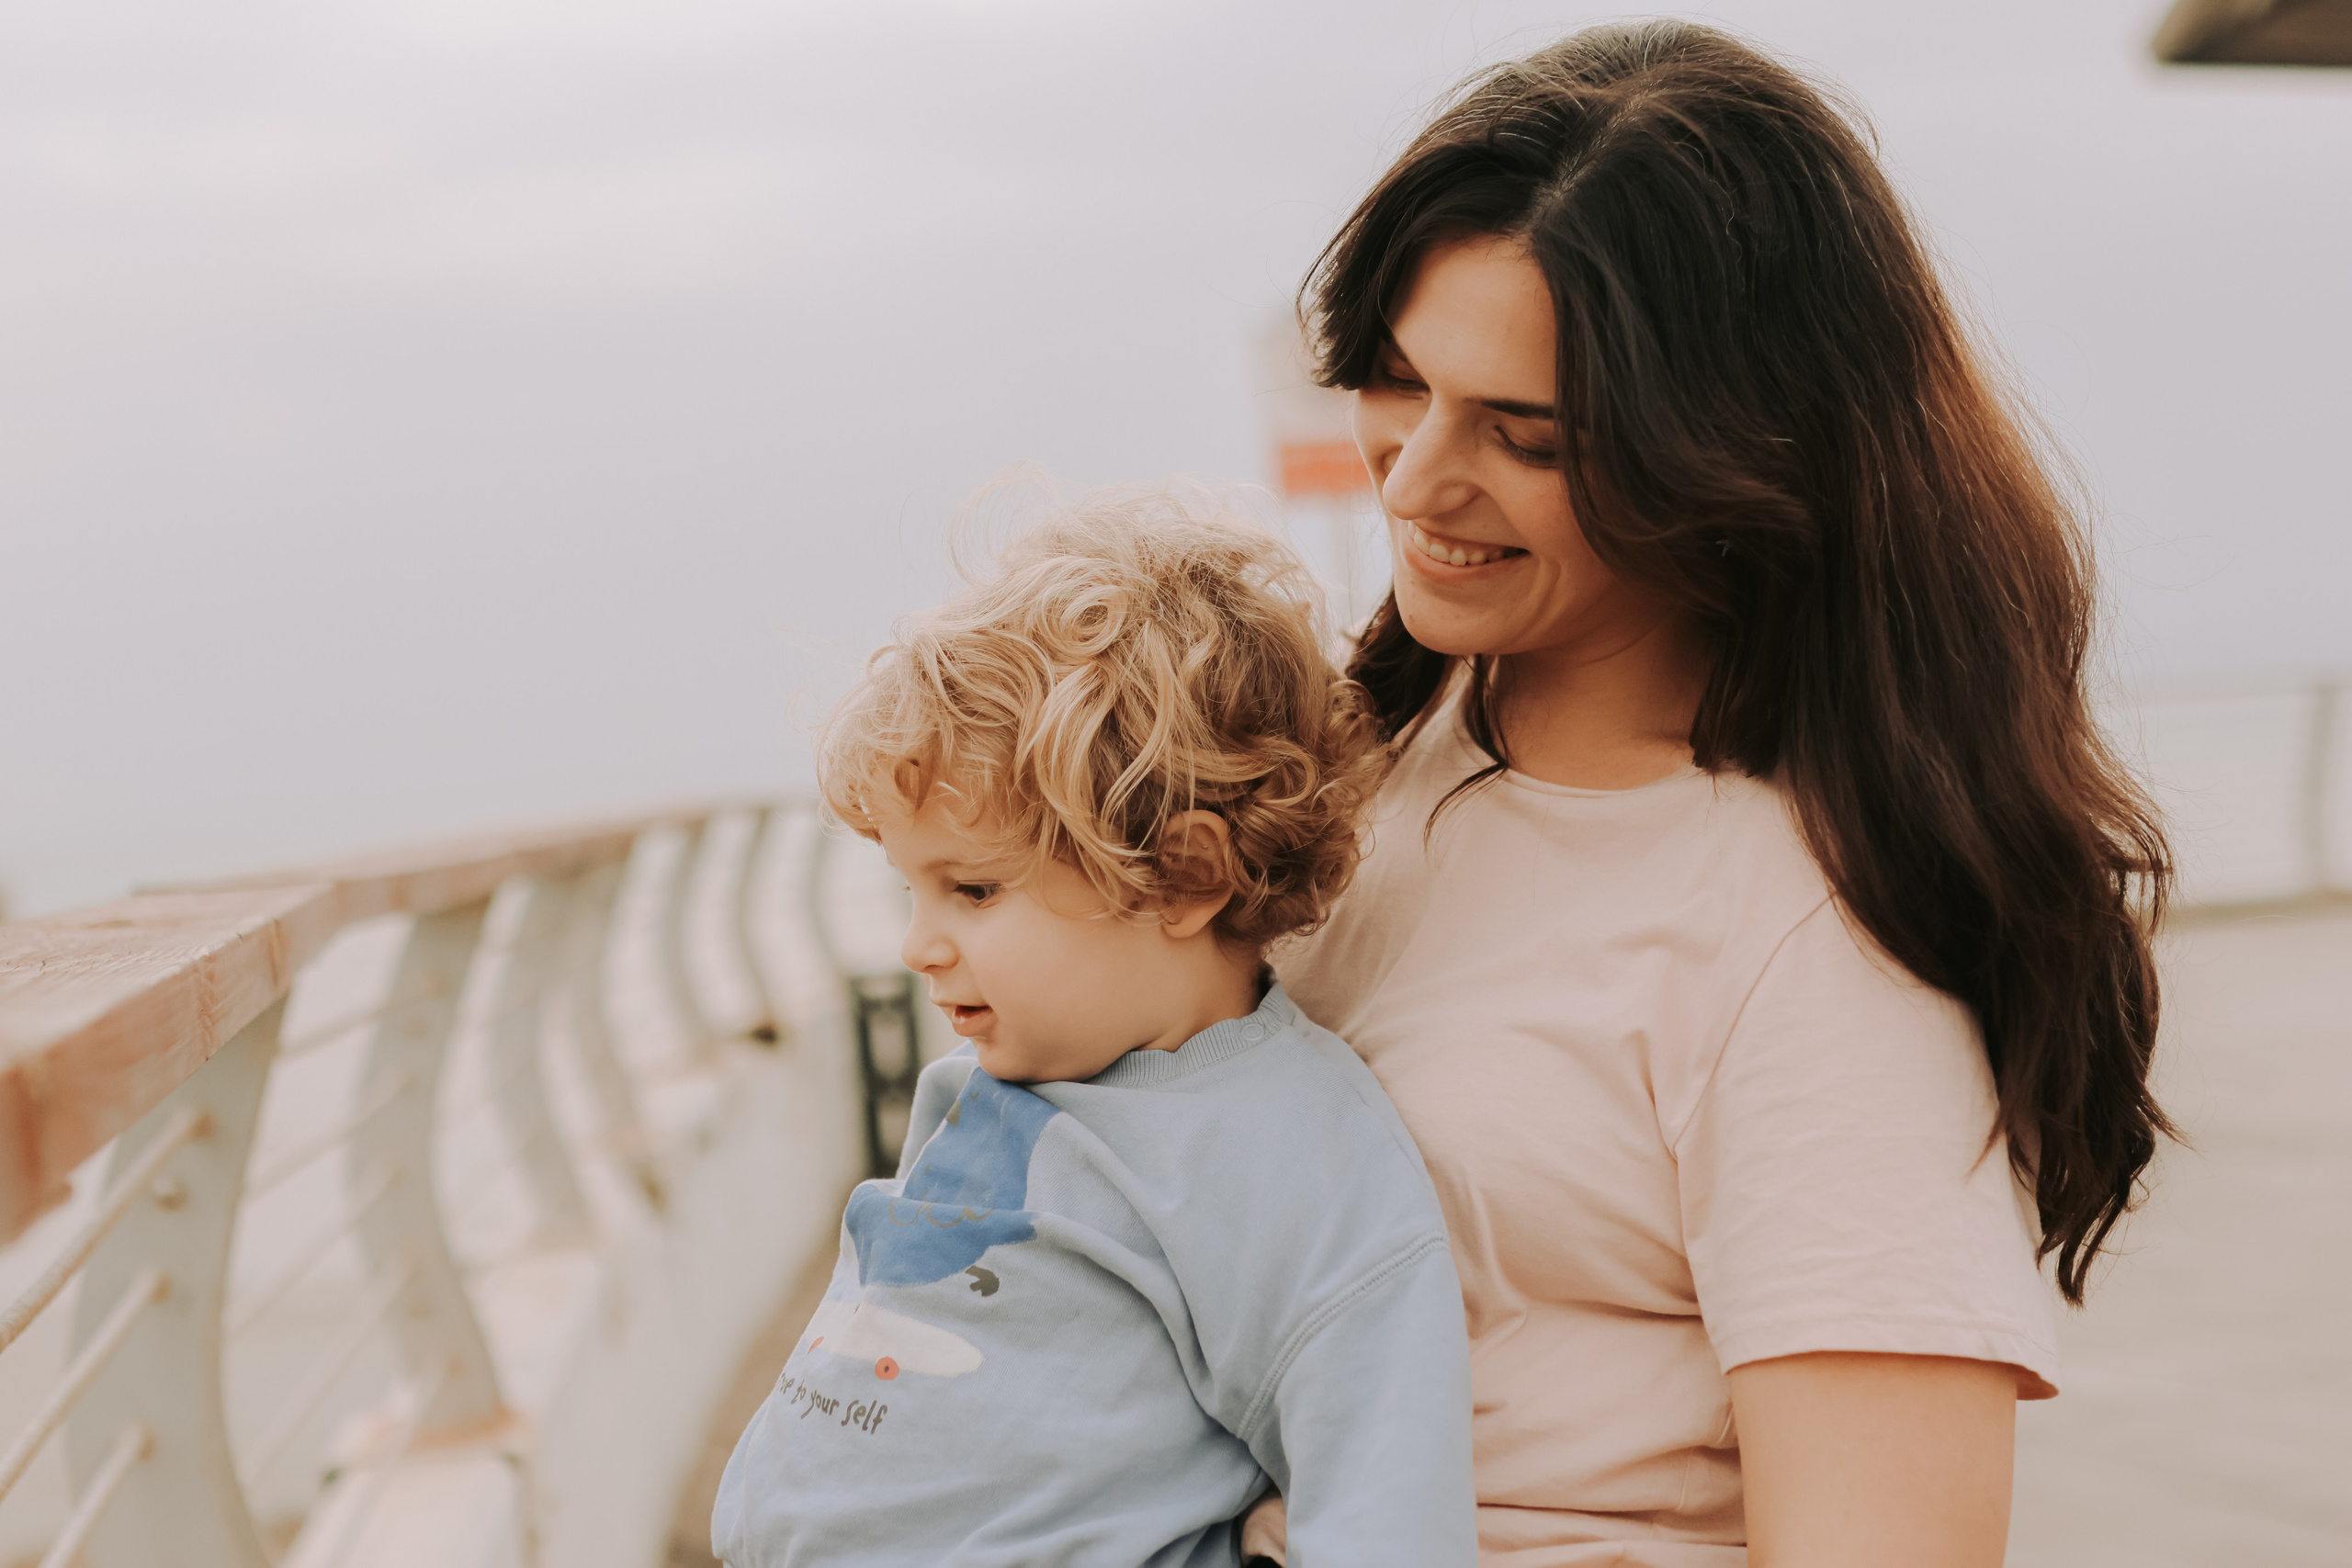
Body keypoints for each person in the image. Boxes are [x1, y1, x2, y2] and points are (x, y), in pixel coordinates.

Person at [1252, 21, 2174, 1568]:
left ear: (1730, 457)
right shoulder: (1362, 754)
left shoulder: (1814, 943)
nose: (1413, 484)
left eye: (1526, 436)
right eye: (1400, 379)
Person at [711, 489, 1479, 1566]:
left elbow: (1388, 1501)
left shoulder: (1292, 1157)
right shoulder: (998, 1078)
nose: (917, 946)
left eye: (972, 891)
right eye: (910, 892)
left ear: (1182, 878)